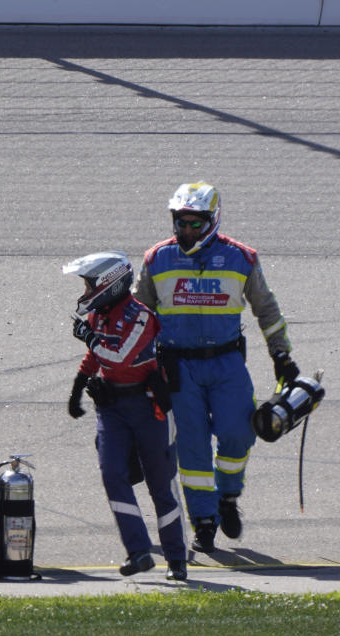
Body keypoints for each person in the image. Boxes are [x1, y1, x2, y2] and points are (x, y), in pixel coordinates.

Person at [133, 182, 299, 553]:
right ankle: (204, 521)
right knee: (192, 448)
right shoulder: (156, 259)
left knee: (239, 433)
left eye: (195, 224)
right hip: (178, 369)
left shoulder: (242, 258)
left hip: (226, 364)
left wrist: (281, 356)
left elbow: (267, 310)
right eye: (181, 223)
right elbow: (138, 317)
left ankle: (228, 497)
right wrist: (134, 369)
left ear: (213, 221)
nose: (187, 231)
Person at [64, 251, 187, 581]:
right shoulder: (99, 315)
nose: (85, 292)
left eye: (90, 285)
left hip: (149, 409)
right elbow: (96, 356)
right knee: (113, 474)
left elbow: (118, 355)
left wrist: (89, 337)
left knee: (161, 485)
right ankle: (139, 551)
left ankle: (177, 558)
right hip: (112, 409)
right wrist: (78, 386)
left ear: (109, 285)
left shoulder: (141, 316)